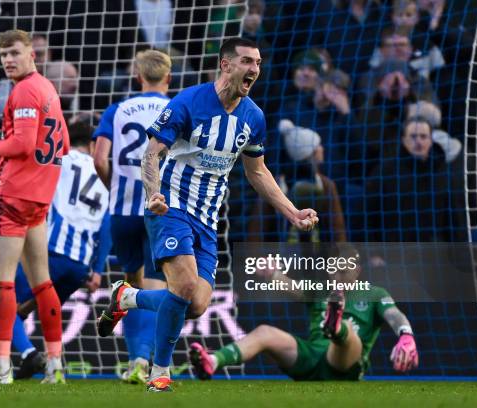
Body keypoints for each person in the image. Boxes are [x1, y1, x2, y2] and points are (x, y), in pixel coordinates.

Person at [96, 37, 319, 392]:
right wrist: (154, 195)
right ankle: (159, 372)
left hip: (208, 219)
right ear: (225, 64)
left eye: (258, 63)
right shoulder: (188, 102)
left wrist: (292, 213)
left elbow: (257, 172)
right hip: (171, 208)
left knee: (197, 304)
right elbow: (151, 154)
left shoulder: (253, 117)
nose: (254, 70)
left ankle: (126, 297)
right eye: (246, 61)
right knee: (183, 287)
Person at [0, 120, 110, 383]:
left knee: (1, 302)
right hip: (80, 264)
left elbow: (21, 172)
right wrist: (97, 269)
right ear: (93, 144)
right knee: (20, 310)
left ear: (67, 140)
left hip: (52, 252)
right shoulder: (105, 172)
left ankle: (29, 354)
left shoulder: (62, 159)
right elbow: (107, 225)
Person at [0, 29, 70, 384]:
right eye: (3, 55)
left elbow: (23, 144)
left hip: (12, 196)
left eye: (14, 52)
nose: (8, 60)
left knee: (2, 284)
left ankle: (0, 367)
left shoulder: (24, 90)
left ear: (32, 53)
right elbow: (64, 144)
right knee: (42, 284)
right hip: (38, 199)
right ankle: (55, 366)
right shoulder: (47, 89)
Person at [189, 247, 420, 381]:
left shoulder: (375, 293)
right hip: (311, 360)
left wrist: (406, 335)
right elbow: (292, 287)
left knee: (348, 333)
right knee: (265, 332)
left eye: (344, 270)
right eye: (333, 269)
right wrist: (273, 274)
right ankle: (213, 361)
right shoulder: (319, 290)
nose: (337, 275)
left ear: (357, 270)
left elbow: (394, 315)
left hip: (345, 365)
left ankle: (336, 326)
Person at [92, 49, 171, 384]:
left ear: (139, 77)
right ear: (168, 77)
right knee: (153, 287)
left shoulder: (118, 109)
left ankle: (134, 360)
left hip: (122, 210)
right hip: (161, 207)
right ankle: (146, 362)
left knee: (132, 284)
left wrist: (115, 188)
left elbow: (99, 158)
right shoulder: (176, 107)